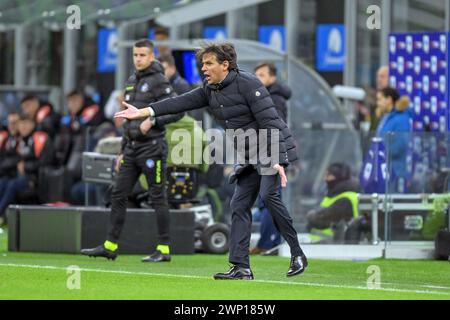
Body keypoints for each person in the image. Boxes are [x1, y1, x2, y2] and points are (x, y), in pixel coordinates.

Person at [115, 43, 307, 279]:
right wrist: (143, 112)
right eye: (202, 63)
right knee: (238, 205)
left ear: (225, 65)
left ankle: (297, 254)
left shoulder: (248, 83)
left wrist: (278, 159)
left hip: (271, 148)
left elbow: (271, 121)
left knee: (268, 196)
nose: (203, 68)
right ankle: (240, 267)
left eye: (208, 63)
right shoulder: (209, 89)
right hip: (249, 155)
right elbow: (179, 102)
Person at [81, 39, 183, 262]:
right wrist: (122, 150)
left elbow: (178, 110)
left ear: (151, 57)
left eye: (142, 55)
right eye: (135, 55)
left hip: (153, 149)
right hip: (131, 149)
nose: (138, 59)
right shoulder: (130, 82)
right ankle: (110, 245)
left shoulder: (158, 80)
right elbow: (128, 122)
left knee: (158, 197)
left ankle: (164, 249)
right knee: (118, 194)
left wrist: (154, 119)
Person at [250, 62, 292, 255]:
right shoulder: (267, 96)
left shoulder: (274, 99)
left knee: (268, 200)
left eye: (262, 75)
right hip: (267, 153)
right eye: (256, 74)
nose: (258, 78)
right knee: (268, 200)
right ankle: (272, 241)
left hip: (272, 154)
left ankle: (268, 243)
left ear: (273, 78)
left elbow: (276, 127)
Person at [0, 115, 54, 220]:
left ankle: (1, 215)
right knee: (3, 182)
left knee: (12, 185)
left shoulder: (39, 138)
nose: (23, 127)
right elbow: (11, 159)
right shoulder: (18, 141)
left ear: (33, 125)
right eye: (21, 124)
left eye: (26, 123)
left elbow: (45, 162)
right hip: (18, 176)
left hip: (34, 178)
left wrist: (26, 166)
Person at [306, 163, 360, 243]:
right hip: (326, 246)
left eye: (328, 175)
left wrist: (311, 215)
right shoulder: (334, 195)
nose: (325, 178)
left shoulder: (345, 199)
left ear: (339, 177)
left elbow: (321, 220)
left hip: (333, 247)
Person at [376, 87, 411, 193]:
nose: (378, 103)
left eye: (380, 99)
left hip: (396, 172)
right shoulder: (386, 117)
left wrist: (381, 152)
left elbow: (400, 145)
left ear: (389, 99)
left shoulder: (400, 119)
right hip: (385, 170)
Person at [158, 53, 204, 121]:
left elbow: (185, 113)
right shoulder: (162, 84)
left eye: (164, 69)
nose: (161, 72)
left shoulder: (181, 86)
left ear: (172, 68)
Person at [0, 113, 20, 226]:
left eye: (14, 122)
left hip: (16, 176)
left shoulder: (23, 139)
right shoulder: (6, 139)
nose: (11, 125)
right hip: (6, 174)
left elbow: (19, 159)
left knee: (9, 184)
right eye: (10, 123)